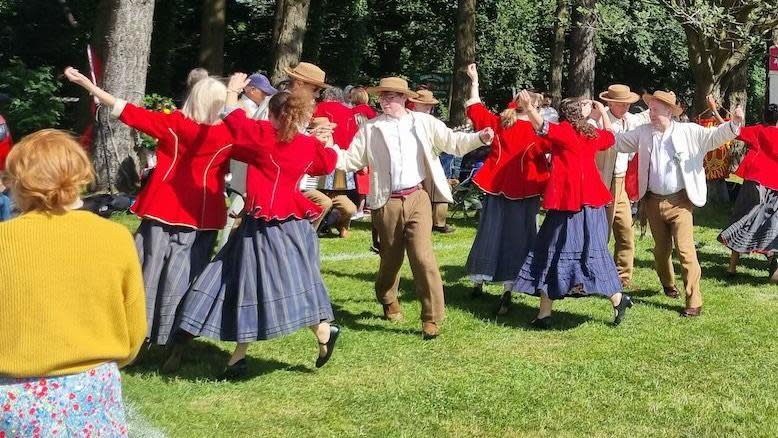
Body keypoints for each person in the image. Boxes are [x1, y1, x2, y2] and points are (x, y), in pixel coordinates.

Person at [169, 77, 341, 379]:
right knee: (253, 280)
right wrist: (323, 139)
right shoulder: (306, 145)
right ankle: (227, 350)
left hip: (267, 226)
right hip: (290, 226)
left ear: (273, 115)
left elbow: (234, 119)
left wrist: (234, 90)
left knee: (258, 285)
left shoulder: (263, 136)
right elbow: (326, 163)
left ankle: (240, 354)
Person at [65, 66, 238, 347]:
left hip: (162, 208)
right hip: (203, 214)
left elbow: (127, 110)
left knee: (147, 269)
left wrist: (89, 86)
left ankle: (137, 330)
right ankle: (177, 334)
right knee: (187, 275)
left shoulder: (173, 125)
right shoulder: (229, 135)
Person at [0, 129, 146, 436]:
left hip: (13, 398)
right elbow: (134, 329)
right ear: (79, 174)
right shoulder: (116, 238)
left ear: (18, 182)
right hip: (93, 388)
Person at [333, 76, 494, 339]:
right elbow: (350, 159)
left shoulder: (423, 122)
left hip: (418, 197)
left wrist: (480, 137)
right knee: (390, 260)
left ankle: (431, 318)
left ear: (404, 99)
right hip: (386, 201)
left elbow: (454, 143)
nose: (385, 101)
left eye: (391, 96)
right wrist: (324, 149)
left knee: (423, 257)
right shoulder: (371, 129)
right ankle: (388, 298)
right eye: (382, 96)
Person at [612, 90, 744, 317]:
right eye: (650, 109)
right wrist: (592, 132)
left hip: (681, 202)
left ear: (669, 112)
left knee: (685, 250)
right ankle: (668, 283)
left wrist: (734, 124)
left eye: (655, 110)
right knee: (661, 251)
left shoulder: (688, 131)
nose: (650, 114)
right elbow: (619, 143)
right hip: (652, 201)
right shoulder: (643, 133)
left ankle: (694, 300)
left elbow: (714, 137)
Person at [510, 92, 632, 327]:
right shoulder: (580, 132)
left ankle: (616, 299)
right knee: (573, 252)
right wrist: (603, 112)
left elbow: (543, 125)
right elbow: (610, 137)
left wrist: (528, 106)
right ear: (577, 112)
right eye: (585, 104)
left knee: (556, 252)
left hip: (572, 204)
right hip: (583, 204)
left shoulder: (572, 131)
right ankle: (547, 314)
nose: (589, 105)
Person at [463, 64, 551, 311]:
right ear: (536, 106)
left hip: (497, 186)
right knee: (520, 239)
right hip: (526, 190)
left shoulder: (502, 122)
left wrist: (475, 81)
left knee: (489, 233)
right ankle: (510, 287)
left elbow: (475, 109)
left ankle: (479, 281)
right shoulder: (539, 131)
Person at [591, 84, 649, 288]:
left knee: (625, 230)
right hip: (602, 181)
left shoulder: (630, 119)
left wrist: (657, 100)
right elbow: (609, 137)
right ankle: (594, 273)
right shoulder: (596, 119)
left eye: (628, 104)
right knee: (600, 230)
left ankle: (623, 276)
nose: (626, 107)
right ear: (610, 103)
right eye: (622, 104)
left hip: (620, 180)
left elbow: (646, 118)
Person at [718, 104, 778, 281]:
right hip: (776, 185)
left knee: (743, 218)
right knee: (772, 223)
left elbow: (731, 130)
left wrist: (714, 110)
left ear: (764, 116)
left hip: (755, 182)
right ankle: (774, 267)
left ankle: (732, 268)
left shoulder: (757, 130)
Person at [221, 73, 279, 250]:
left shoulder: (253, 107)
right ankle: (225, 248)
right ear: (250, 90)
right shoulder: (242, 107)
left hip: (247, 165)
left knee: (239, 211)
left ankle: (229, 246)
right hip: (242, 166)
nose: (265, 96)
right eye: (263, 92)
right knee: (235, 211)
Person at [314, 87, 360, 238]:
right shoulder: (349, 113)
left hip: (322, 158)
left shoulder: (319, 108)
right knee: (339, 194)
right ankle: (343, 226)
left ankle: (322, 224)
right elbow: (355, 136)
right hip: (342, 161)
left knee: (319, 194)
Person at [408, 89, 456, 234]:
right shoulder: (425, 120)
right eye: (426, 104)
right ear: (416, 104)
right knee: (440, 191)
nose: (429, 107)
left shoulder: (407, 118)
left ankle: (433, 222)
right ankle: (438, 223)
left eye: (430, 105)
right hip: (421, 161)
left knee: (434, 192)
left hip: (420, 160)